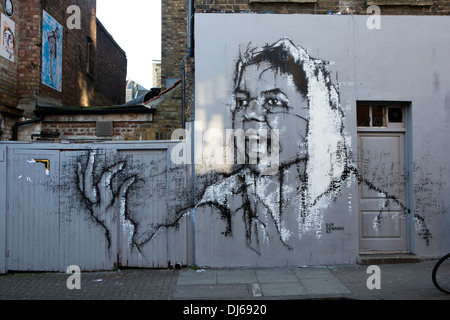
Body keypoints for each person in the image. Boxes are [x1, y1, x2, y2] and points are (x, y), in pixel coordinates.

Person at [196, 38, 349, 254]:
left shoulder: (362, 203)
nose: (248, 113)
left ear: (316, 116)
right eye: (241, 101)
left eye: (273, 102)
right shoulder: (219, 200)